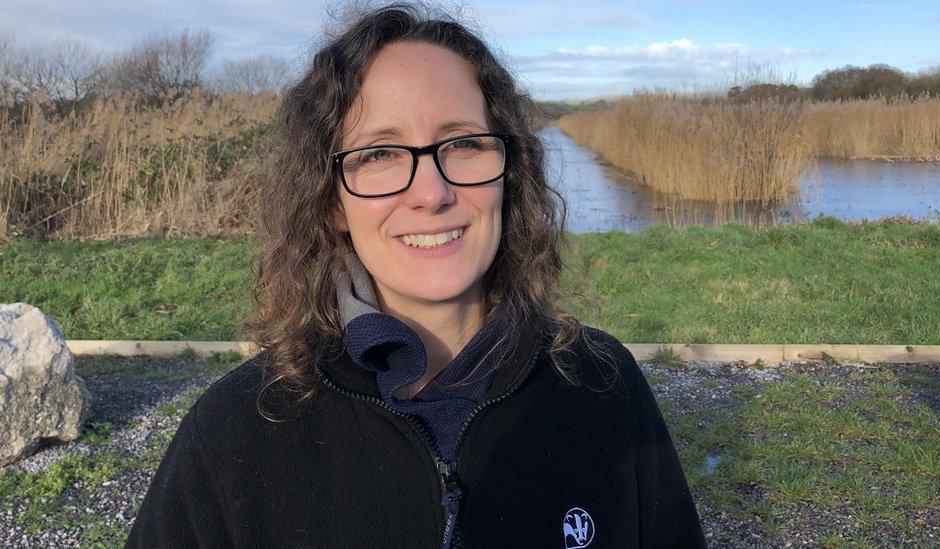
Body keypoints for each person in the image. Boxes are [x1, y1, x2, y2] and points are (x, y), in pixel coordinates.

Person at [125, 3, 705, 548]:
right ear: (331, 202)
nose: (433, 193)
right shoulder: (235, 434)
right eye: (379, 154)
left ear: (510, 170)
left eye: (465, 143)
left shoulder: (603, 386)